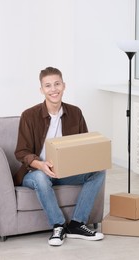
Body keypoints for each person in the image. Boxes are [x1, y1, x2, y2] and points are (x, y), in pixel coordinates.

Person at [14, 66, 106, 246]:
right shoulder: (29, 115)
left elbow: (83, 144)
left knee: (98, 172)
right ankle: (58, 225)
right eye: (48, 86)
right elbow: (21, 152)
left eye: (57, 84)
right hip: (35, 172)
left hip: (65, 171)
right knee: (41, 178)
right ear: (42, 90)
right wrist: (40, 165)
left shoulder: (75, 112)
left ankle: (77, 224)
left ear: (64, 86)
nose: (53, 89)